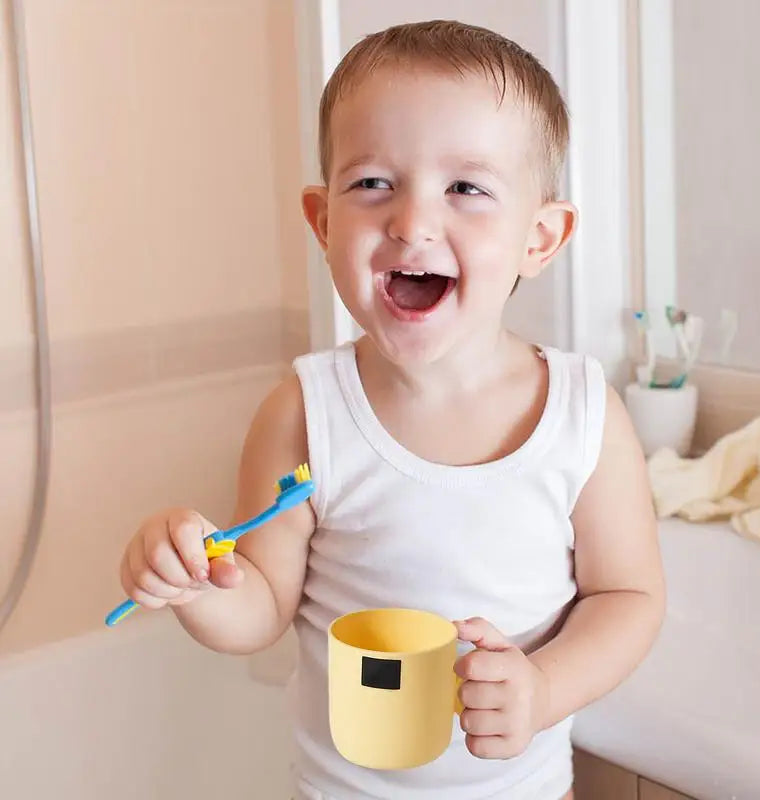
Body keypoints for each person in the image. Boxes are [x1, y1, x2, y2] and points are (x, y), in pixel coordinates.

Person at [118, 20, 665, 800]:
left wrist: (543, 689)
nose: (411, 222)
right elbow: (263, 608)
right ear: (323, 220)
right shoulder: (303, 413)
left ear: (540, 238)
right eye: (373, 182)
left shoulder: (583, 416)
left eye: (466, 188)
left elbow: (629, 598)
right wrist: (197, 584)